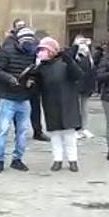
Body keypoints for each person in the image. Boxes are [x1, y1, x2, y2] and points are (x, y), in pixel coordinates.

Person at [28, 37, 83, 172]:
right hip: (50, 103)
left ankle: (72, 160)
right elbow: (37, 88)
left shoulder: (64, 63)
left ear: (52, 51)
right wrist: (31, 81)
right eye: (39, 50)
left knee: (69, 135)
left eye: (44, 50)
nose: (41, 53)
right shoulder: (41, 68)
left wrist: (70, 61)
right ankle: (57, 159)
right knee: (55, 135)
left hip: (67, 102)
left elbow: (78, 75)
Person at [0, 26, 38, 174]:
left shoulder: (32, 54)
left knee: (22, 131)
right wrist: (10, 78)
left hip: (24, 97)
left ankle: (17, 159)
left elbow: (34, 72)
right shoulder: (6, 51)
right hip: (7, 97)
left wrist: (31, 79)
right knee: (3, 130)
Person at [72, 35, 96, 139]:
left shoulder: (89, 58)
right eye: (81, 43)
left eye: (84, 43)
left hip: (86, 86)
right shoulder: (74, 56)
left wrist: (92, 87)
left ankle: (84, 128)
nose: (83, 46)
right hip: (76, 86)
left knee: (85, 109)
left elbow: (91, 73)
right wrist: (76, 47)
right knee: (76, 109)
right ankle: (76, 129)